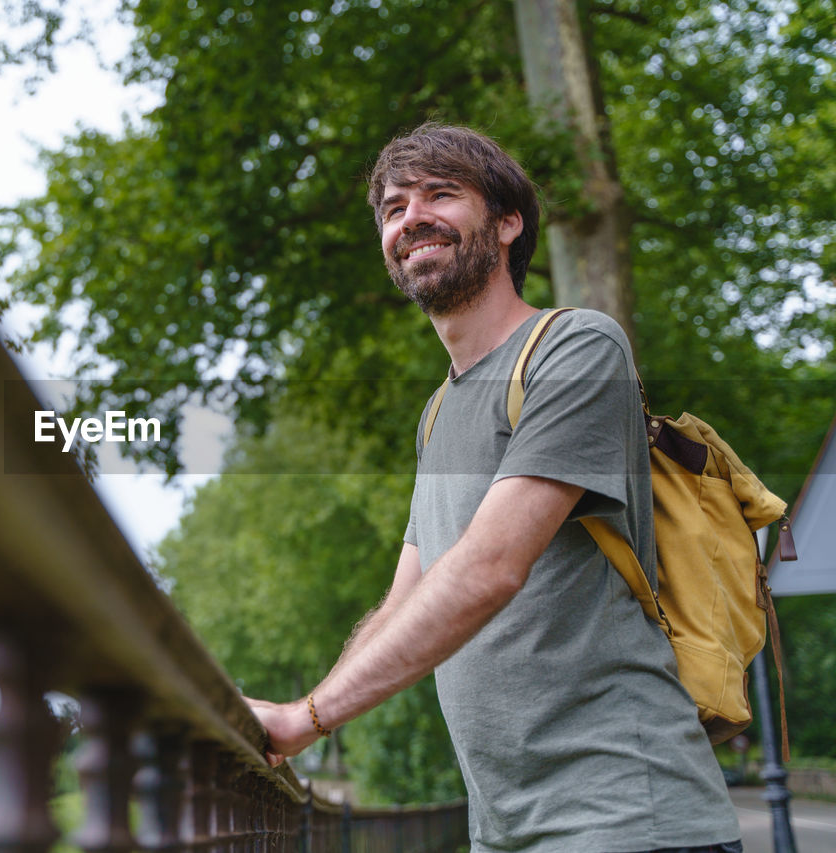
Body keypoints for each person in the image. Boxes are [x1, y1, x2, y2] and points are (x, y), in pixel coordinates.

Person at [246, 123, 742, 853]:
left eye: (440, 194)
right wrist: (303, 718)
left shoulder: (574, 347)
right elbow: (406, 599)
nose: (410, 215)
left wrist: (307, 716)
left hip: (629, 820)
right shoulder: (438, 411)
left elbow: (489, 567)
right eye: (392, 207)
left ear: (508, 223)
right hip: (505, 831)